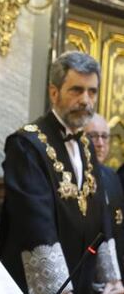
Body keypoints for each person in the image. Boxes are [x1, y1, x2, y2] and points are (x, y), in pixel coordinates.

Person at [0, 51, 124, 294]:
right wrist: (59, 289)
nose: (86, 100)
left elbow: (100, 212)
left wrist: (111, 279)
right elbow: (34, 223)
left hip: (83, 280)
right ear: (54, 93)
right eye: (76, 90)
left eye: (92, 91)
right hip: (44, 284)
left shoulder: (86, 144)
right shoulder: (26, 144)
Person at [85, 114, 124, 276]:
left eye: (104, 137)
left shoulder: (112, 176)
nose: (100, 144)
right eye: (93, 136)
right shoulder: (75, 177)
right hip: (85, 270)